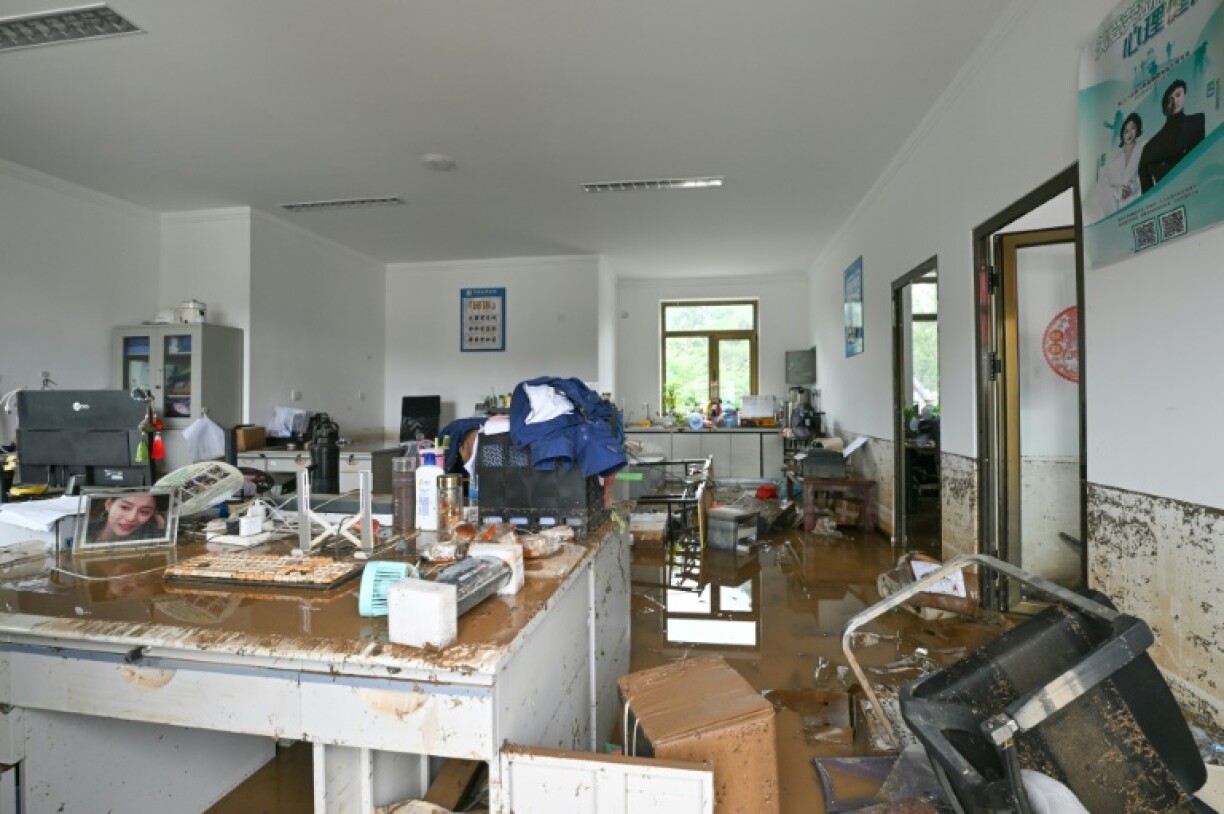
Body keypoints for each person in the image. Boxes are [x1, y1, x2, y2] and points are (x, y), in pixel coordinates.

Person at [1139, 79, 1205, 192]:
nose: (1175, 101)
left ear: (1185, 95)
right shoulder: (1150, 147)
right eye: (1170, 99)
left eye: (1178, 95)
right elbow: (1146, 193)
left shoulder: (1198, 121)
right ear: (1164, 105)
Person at [1097, 112, 1145, 215]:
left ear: (1138, 129)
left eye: (1133, 128)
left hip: (1141, 206)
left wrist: (1131, 187)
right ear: (1122, 134)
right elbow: (1103, 187)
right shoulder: (1114, 162)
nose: (1130, 134)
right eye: (1126, 131)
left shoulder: (1143, 148)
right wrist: (1116, 191)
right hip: (1122, 212)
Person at [88, 493, 166, 542]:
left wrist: (161, 525)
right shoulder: (83, 533)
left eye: (144, 512)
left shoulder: (150, 541)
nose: (131, 518)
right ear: (108, 504)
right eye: (124, 507)